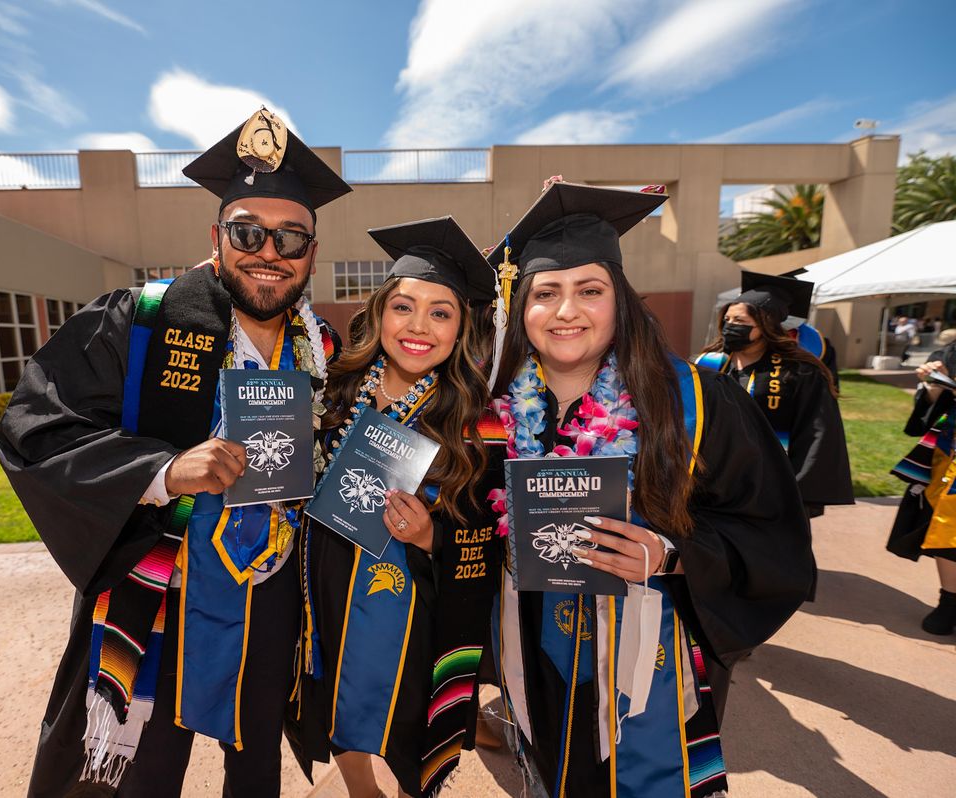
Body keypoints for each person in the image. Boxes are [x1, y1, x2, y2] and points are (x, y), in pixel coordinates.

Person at [0, 108, 351, 797]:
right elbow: (32, 423)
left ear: (312, 250)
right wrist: (161, 471)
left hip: (271, 593)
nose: (268, 252)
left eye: (291, 237)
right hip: (162, 594)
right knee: (142, 772)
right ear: (217, 237)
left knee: (256, 766)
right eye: (248, 231)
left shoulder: (322, 349)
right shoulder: (142, 321)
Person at [485, 180, 814, 797]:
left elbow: (770, 530)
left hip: (651, 665)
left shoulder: (696, 402)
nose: (565, 312)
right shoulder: (495, 415)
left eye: (590, 290)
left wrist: (672, 554)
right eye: (545, 293)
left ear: (621, 299)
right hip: (537, 650)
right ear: (520, 307)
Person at [289, 217, 502, 797]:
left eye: (441, 313)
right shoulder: (330, 387)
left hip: (410, 601)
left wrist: (433, 537)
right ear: (380, 312)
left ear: (460, 331)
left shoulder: (476, 419)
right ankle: (360, 788)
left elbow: (490, 532)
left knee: (408, 720)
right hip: (324, 584)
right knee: (330, 695)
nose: (418, 327)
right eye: (403, 307)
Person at [696, 272, 854, 522]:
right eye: (727, 319)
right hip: (713, 481)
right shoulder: (709, 364)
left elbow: (817, 432)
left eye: (740, 320)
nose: (730, 325)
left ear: (766, 324)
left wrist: (794, 491)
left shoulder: (800, 371)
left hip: (772, 484)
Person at [888, 333, 956, 634]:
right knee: (946, 531)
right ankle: (949, 602)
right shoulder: (950, 353)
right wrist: (932, 385)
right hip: (949, 457)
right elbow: (927, 417)